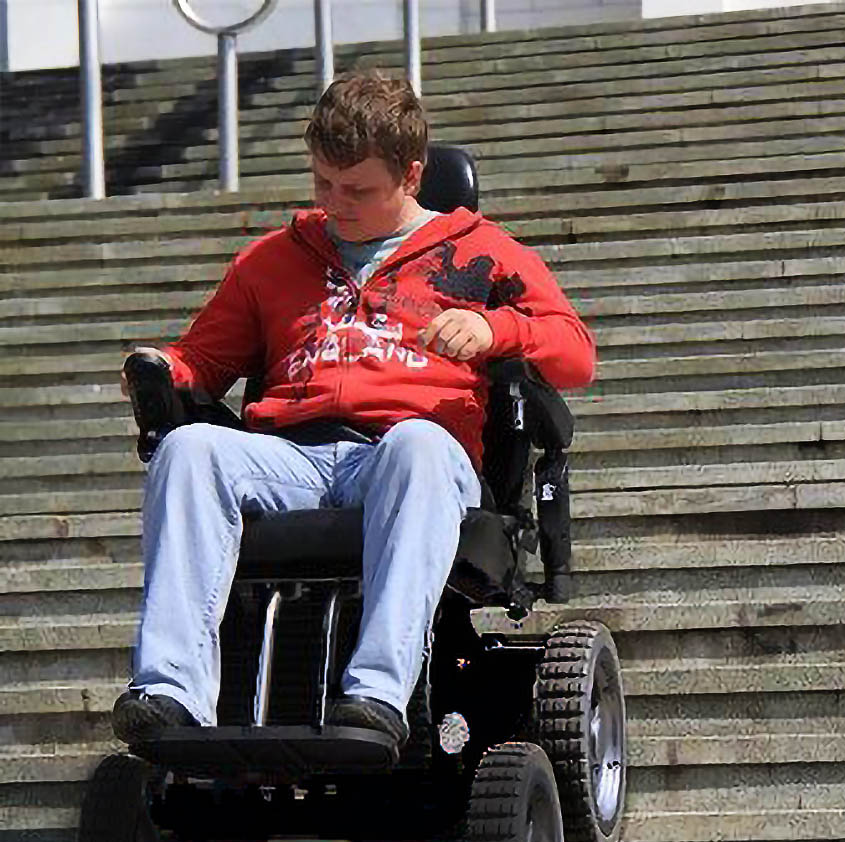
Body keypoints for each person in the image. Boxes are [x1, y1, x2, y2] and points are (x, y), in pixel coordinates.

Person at [111, 70, 596, 754]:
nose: (335, 204)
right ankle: (171, 691)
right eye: (323, 183)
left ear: (412, 175)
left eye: (357, 190)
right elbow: (204, 358)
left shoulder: (482, 253)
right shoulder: (273, 260)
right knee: (187, 449)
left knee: (417, 446)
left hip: (409, 454)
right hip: (292, 456)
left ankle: (375, 695)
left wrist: (495, 330)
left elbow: (576, 354)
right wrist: (164, 369)